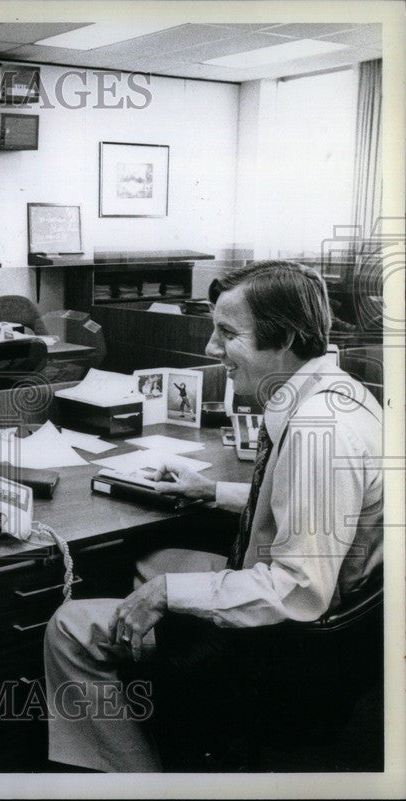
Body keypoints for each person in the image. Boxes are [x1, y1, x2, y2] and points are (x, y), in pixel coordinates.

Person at [43, 260, 383, 772]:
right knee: (152, 562)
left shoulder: (320, 430)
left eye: (227, 333)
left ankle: (133, 777)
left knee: (70, 626)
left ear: (285, 336)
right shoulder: (337, 392)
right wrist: (213, 491)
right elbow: (314, 501)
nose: (209, 348)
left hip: (294, 644)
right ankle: (178, 713)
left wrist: (167, 594)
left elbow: (298, 589)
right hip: (339, 616)